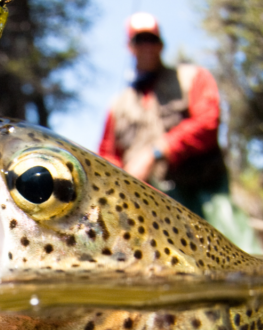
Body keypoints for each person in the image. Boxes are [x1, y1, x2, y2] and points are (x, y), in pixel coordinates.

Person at [98, 12, 229, 219]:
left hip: (203, 197)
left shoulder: (193, 77)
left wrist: (157, 151)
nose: (147, 46)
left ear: (161, 44)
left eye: (153, 39)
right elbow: (108, 156)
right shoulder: (117, 106)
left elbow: (208, 123)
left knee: (234, 249)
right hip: (148, 213)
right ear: (130, 47)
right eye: (140, 40)